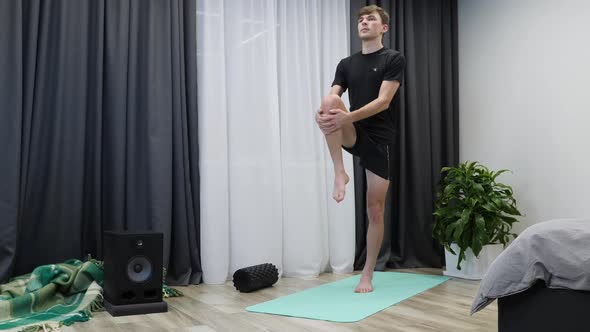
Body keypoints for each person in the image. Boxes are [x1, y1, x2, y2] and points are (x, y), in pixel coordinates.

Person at [315, 5, 405, 293]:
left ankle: (367, 274)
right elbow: (334, 95)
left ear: (384, 28)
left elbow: (383, 102)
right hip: (354, 132)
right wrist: (323, 113)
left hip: (379, 140)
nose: (364, 22)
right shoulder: (346, 64)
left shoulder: (393, 58)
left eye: (371, 19)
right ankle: (340, 172)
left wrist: (346, 117)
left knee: (374, 209)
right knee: (329, 104)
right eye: (361, 19)